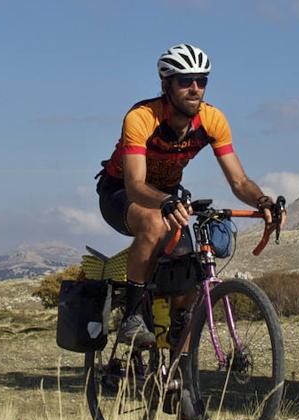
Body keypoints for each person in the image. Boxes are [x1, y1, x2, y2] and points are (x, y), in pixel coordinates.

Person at [95, 43, 285, 347]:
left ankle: (177, 370)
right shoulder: (142, 117)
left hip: (169, 198)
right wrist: (165, 202)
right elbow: (135, 184)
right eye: (185, 81)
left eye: (202, 81)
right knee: (154, 224)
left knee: (188, 264)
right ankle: (132, 317)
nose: (195, 89)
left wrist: (263, 201)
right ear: (166, 85)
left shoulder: (212, 120)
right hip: (121, 192)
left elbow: (239, 181)